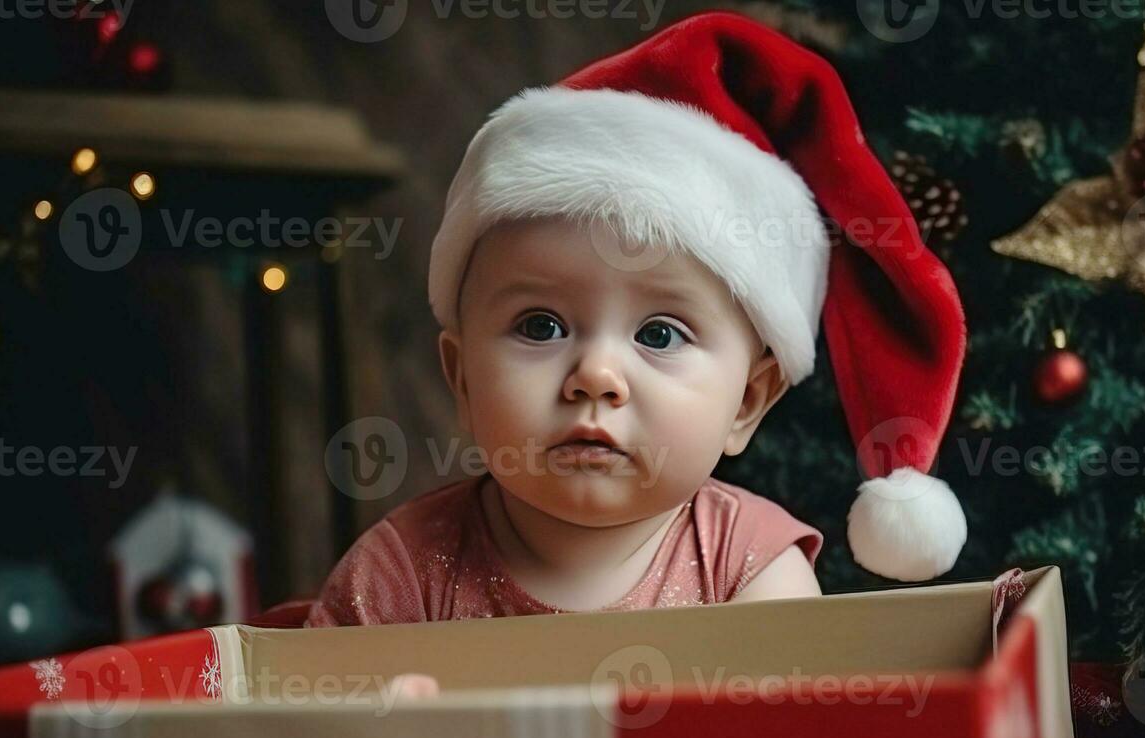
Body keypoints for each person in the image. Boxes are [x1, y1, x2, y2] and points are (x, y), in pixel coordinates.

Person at [306, 11, 969, 628]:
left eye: (659, 334)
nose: (595, 376)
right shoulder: (398, 578)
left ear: (747, 402)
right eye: (541, 326)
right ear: (463, 381)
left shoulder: (752, 574)